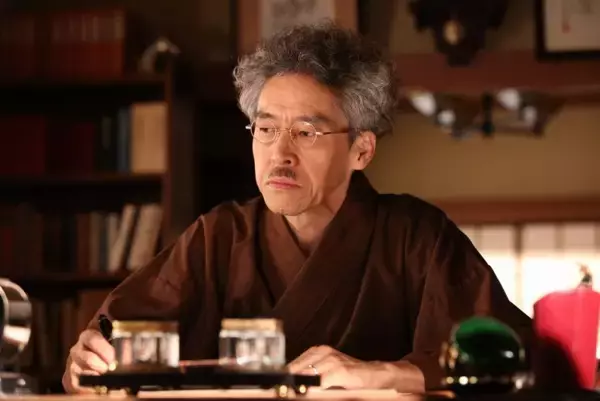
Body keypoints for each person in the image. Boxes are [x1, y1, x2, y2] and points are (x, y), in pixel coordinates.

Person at [62, 22, 531, 394]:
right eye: (266, 129)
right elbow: (114, 336)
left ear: (361, 150)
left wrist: (381, 374)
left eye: (307, 132)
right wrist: (89, 361)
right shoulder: (219, 237)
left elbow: (508, 359)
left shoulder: (417, 238)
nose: (279, 154)